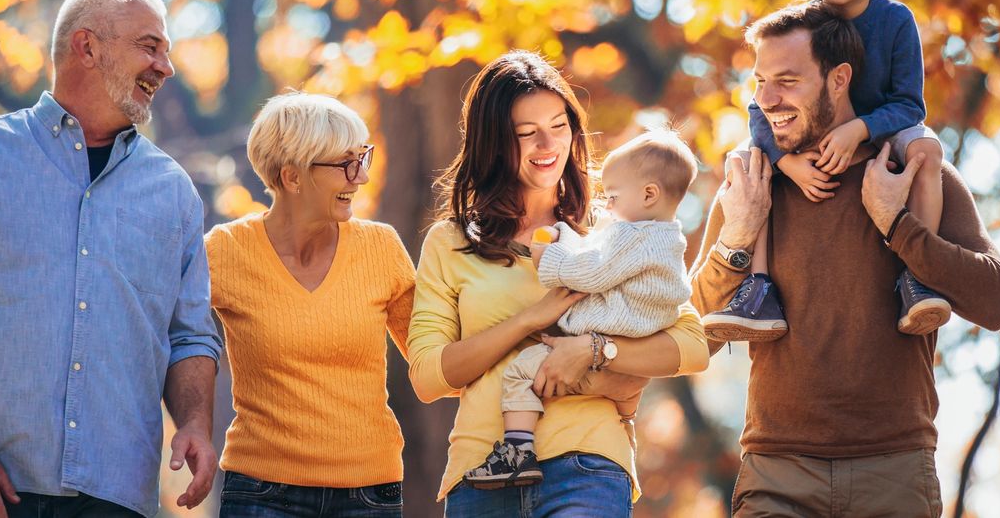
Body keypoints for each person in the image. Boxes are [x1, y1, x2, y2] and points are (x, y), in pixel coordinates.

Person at [0, 0, 222, 517]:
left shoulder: (174, 192)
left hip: (116, 498)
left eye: (167, 51)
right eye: (150, 46)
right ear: (88, 47)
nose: (166, 67)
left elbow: (189, 336)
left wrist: (196, 426)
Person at [691, 1, 1000, 516]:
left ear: (839, 78)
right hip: (776, 472)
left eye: (788, 81)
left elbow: (994, 304)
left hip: (895, 470)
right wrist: (738, 237)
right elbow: (689, 335)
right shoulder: (751, 184)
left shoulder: (910, 174)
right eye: (759, 82)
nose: (766, 100)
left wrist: (896, 223)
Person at [409, 50, 709, 516]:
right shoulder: (450, 242)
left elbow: (691, 345)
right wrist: (532, 317)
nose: (548, 144)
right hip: (480, 473)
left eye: (559, 126)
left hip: (587, 465)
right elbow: (429, 376)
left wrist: (593, 351)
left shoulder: (613, 226)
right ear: (491, 143)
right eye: (526, 134)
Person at [705, 0, 951, 342]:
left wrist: (859, 128)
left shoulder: (895, 21)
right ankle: (758, 290)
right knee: (748, 163)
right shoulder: (806, 23)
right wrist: (783, 161)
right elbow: (761, 106)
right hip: (803, 140)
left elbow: (910, 105)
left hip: (883, 133)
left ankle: (918, 275)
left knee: (926, 149)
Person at [205, 92, 415, 517]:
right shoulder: (224, 251)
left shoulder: (382, 247)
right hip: (261, 493)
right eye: (344, 164)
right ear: (292, 177)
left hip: (369, 493)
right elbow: (169, 337)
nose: (360, 177)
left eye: (363, 158)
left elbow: (436, 361)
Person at [463, 129, 698, 489]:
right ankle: (625, 425)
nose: (608, 206)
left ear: (649, 194)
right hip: (635, 340)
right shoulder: (667, 238)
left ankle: (517, 450)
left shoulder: (629, 235)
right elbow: (597, 250)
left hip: (605, 331)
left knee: (520, 373)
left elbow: (592, 270)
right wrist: (566, 236)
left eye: (615, 196)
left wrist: (549, 258)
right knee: (623, 393)